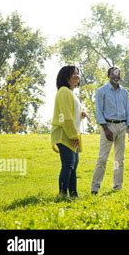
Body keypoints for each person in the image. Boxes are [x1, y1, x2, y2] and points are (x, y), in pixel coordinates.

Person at [91, 66, 129, 194]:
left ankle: (117, 186)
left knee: (118, 159)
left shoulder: (124, 92)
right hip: (108, 126)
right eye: (113, 74)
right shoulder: (101, 91)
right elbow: (99, 111)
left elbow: (128, 111)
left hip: (121, 127)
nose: (116, 76)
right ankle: (95, 187)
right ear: (108, 75)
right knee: (102, 158)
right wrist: (105, 129)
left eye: (118, 74)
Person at [51, 66, 90, 198]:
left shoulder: (71, 93)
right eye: (74, 73)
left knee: (73, 165)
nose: (77, 76)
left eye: (78, 73)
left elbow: (73, 111)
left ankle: (73, 194)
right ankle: (62, 194)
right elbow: (66, 116)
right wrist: (73, 135)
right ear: (66, 76)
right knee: (68, 165)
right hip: (65, 135)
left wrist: (82, 112)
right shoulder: (63, 91)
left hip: (72, 135)